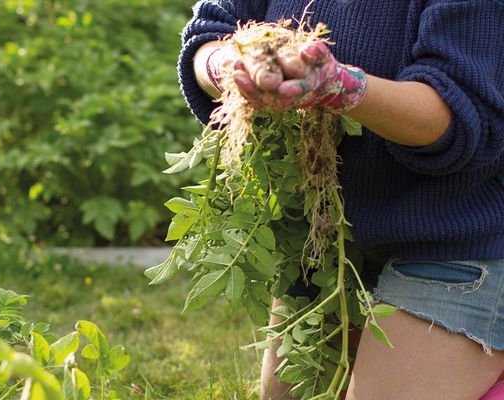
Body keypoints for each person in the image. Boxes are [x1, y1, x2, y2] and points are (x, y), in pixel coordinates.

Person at [176, 1, 504, 399]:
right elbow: (210, 33)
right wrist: (234, 66)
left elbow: (459, 114)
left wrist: (340, 87)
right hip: (326, 243)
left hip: (461, 236)